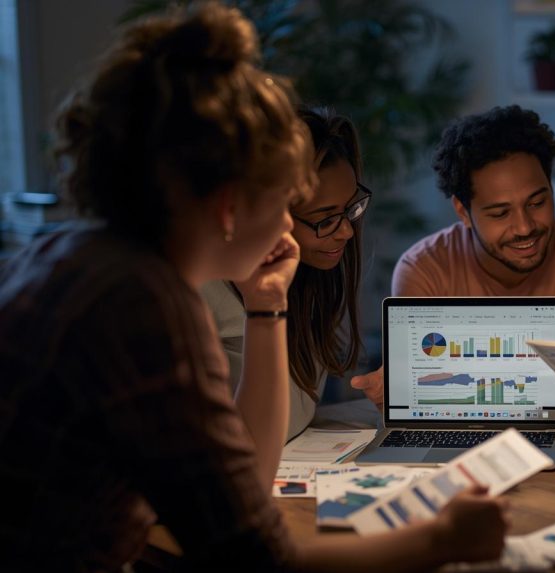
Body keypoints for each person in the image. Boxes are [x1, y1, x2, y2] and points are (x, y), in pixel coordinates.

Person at [0, 5, 505, 571]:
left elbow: (249, 478)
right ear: (229, 206)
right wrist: (441, 540)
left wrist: (267, 305)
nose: (291, 224)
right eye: (284, 196)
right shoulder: (143, 306)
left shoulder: (77, 254)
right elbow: (251, 560)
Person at [352, 105, 555, 396]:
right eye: (500, 213)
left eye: (536, 203)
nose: (524, 227)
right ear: (463, 211)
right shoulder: (424, 270)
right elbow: (428, 390)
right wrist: (400, 389)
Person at [202, 106, 381, 440]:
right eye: (324, 217)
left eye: (349, 209)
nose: (346, 232)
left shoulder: (308, 273)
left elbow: (291, 419)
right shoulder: (203, 291)